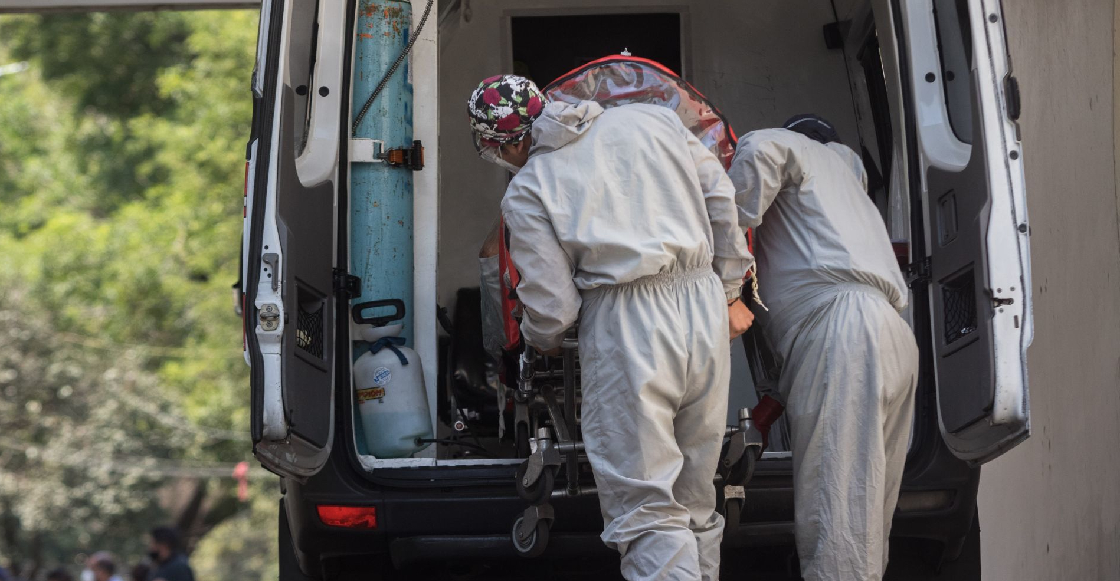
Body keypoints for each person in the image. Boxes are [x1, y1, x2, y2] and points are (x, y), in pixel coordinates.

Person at [468, 74, 754, 581]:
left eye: (493, 151)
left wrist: (538, 341)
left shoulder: (529, 187)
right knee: (694, 497)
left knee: (646, 511)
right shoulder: (654, 119)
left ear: (505, 142)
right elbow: (721, 200)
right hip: (702, 306)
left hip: (626, 326)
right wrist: (729, 290)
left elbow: (553, 310)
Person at [727, 114, 918, 581]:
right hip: (895, 338)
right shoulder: (853, 199)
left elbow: (762, 150)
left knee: (837, 523)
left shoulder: (789, 148)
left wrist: (728, 227)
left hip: (847, 335)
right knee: (868, 523)